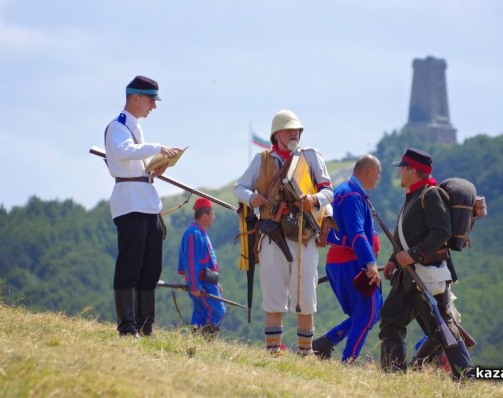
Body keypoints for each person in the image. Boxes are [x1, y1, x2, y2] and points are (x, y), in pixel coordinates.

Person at [233, 109, 333, 356]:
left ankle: (305, 352)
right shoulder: (262, 160)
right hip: (271, 234)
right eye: (289, 129)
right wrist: (251, 197)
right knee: (273, 292)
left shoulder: (310, 157)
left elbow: (329, 190)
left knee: (306, 294)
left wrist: (314, 199)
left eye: (296, 129)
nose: (294, 133)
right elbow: (239, 188)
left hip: (304, 232)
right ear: (276, 134)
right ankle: (272, 351)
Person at [378, 148, 474, 380]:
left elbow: (442, 232)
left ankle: (466, 378)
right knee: (391, 320)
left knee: (442, 329)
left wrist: (412, 255)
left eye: (403, 167)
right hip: (409, 276)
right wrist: (393, 259)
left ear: (413, 170)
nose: (399, 171)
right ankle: (394, 377)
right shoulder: (415, 195)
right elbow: (409, 234)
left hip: (426, 275)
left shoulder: (430, 194)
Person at [104, 75, 179, 337]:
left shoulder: (134, 127)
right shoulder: (117, 126)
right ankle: (126, 327)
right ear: (134, 97)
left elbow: (134, 159)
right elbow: (124, 152)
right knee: (130, 265)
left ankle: (145, 327)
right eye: (150, 100)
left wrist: (155, 165)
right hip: (129, 201)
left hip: (146, 200)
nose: (153, 106)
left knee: (151, 267)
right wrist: (157, 148)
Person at [312, 155, 383, 363]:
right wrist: (370, 264)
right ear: (368, 171)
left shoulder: (348, 191)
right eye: (378, 173)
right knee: (367, 314)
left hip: (341, 263)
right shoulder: (352, 194)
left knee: (372, 311)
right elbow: (357, 234)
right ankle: (347, 362)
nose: (379, 178)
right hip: (350, 263)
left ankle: (326, 343)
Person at [177, 198, 226, 336]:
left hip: (207, 283)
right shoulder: (192, 234)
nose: (213, 218)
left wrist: (216, 283)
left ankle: (193, 341)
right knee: (217, 311)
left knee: (201, 314)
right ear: (205, 215)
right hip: (201, 283)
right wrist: (194, 285)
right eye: (212, 214)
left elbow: (207, 264)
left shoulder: (199, 232)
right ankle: (204, 340)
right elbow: (191, 262)